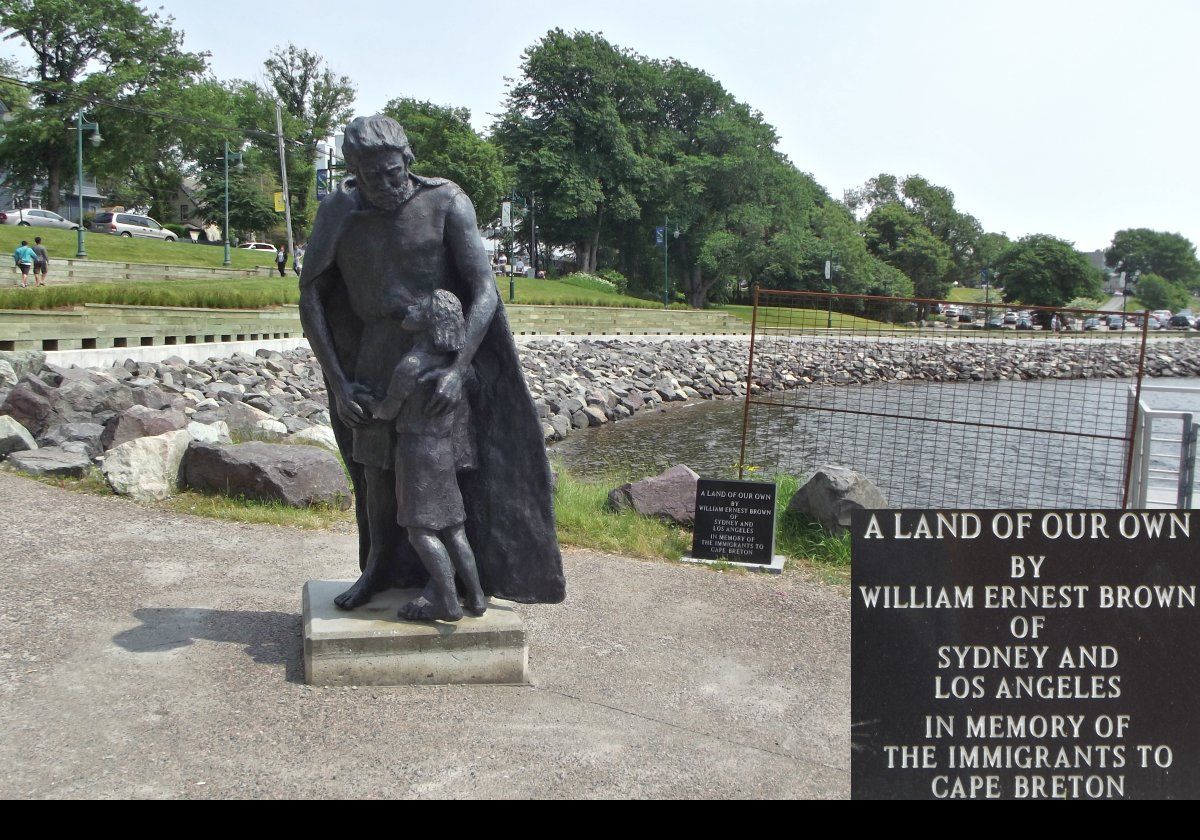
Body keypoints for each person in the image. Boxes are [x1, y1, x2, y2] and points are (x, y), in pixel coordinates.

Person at [299, 114, 564, 620]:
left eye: (393, 172)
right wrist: (336, 381)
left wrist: (456, 366)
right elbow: (311, 292)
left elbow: (484, 290)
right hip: (373, 360)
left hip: (439, 358)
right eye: (371, 176)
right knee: (376, 474)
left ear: (409, 161)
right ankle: (378, 566)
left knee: (443, 476)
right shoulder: (341, 208)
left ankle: (461, 584)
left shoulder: (446, 201)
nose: (385, 185)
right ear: (352, 170)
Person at [369, 290, 486, 619]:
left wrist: (369, 407)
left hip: (416, 453)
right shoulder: (453, 367)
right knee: (454, 529)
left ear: (431, 319)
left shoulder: (411, 365)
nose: (411, 306)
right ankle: (476, 598)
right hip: (443, 454)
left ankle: (447, 603)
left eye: (421, 304)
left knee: (421, 531)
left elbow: (389, 410)